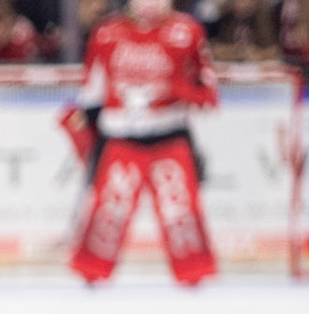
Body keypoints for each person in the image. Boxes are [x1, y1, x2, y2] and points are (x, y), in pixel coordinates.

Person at [61, 0, 220, 286]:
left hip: (170, 137)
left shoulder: (187, 31)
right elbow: (93, 91)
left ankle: (194, 274)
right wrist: (84, 121)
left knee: (180, 211)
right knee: (109, 210)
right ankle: (91, 271)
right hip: (120, 138)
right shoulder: (106, 33)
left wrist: (177, 90)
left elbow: (208, 93)